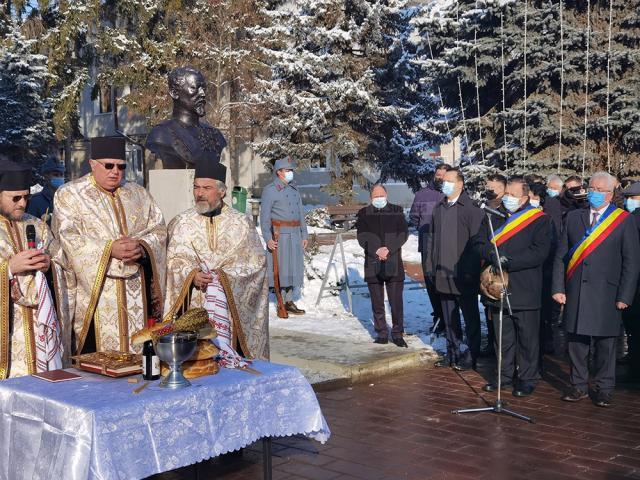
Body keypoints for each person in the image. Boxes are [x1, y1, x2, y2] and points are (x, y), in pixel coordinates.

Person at [54, 137, 167, 355]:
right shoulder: (70, 195)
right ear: (92, 164)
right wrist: (109, 249)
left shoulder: (139, 194)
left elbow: (159, 231)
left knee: (141, 357)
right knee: (96, 365)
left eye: (121, 166)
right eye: (108, 165)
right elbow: (67, 238)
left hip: (136, 291)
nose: (115, 171)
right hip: (96, 293)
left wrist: (142, 247)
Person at [164, 153, 269, 360]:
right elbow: (172, 260)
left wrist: (225, 277)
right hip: (193, 304)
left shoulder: (241, 223)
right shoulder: (181, 222)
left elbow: (256, 263)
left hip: (231, 310)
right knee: (197, 364)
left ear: (222, 192)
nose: (199, 193)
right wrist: (191, 275)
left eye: (206, 188)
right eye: (196, 187)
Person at [552, 171, 640, 407]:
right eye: (592, 188)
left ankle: (603, 388)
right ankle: (578, 385)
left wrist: (625, 296)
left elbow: (631, 262)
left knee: (605, 345)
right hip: (577, 291)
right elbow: (561, 256)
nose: (594, 193)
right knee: (577, 344)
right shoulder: (573, 217)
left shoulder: (623, 220)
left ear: (610, 195)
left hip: (607, 294)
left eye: (600, 190)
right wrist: (558, 287)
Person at [475, 177, 551, 396]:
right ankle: (504, 377)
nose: (507, 198)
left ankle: (527, 377)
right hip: (497, 288)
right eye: (506, 193)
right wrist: (489, 253)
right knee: (503, 338)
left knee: (527, 338)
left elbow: (539, 252)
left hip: (525, 288)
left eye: (513, 194)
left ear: (525, 197)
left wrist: (510, 261)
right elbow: (478, 242)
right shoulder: (493, 217)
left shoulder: (539, 220)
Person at [0, 150, 63, 378]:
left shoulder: (38, 226)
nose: (23, 203)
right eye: (15, 198)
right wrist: (8, 269)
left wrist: (50, 266)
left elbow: (64, 266)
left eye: (26, 197)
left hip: (40, 330)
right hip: (8, 335)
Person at [426, 166, 483, 370]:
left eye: (450, 181)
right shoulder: (439, 208)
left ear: (460, 184)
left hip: (464, 274)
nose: (445, 184)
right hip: (442, 271)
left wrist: (470, 269)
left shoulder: (471, 209)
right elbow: (431, 239)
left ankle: (471, 354)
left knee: (470, 316)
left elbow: (477, 244)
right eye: (444, 181)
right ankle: (452, 351)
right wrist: (431, 266)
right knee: (449, 316)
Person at [356, 184, 409, 347]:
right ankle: (382, 332)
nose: (379, 198)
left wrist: (389, 249)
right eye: (375, 195)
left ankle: (398, 333)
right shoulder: (364, 213)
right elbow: (361, 236)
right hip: (373, 261)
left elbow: (403, 233)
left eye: (381, 194)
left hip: (393, 260)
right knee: (377, 301)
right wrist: (376, 250)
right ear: (371, 197)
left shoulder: (397, 210)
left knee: (396, 302)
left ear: (386, 194)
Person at [146, 67, 227, 169]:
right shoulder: (161, 135)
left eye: (203, 89)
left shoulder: (216, 136)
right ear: (174, 92)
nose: (202, 93)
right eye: (194, 88)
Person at [260, 156, 308, 318]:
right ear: (279, 172)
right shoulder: (270, 190)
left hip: (294, 234)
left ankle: (289, 301)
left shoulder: (294, 189)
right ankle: (281, 300)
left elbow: (301, 213)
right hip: (280, 235)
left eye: (291, 170)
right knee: (282, 268)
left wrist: (304, 234)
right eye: (288, 170)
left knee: (293, 267)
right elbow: (264, 217)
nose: (290, 173)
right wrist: (268, 238)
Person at [409, 163, 448, 334]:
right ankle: (438, 317)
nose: (440, 177)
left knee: (446, 282)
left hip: (449, 246)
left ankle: (449, 318)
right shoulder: (422, 194)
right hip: (427, 245)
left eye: (444, 175)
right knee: (431, 283)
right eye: (438, 174)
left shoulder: (453, 194)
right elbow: (414, 217)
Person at [620, 181, 640, 381]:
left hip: (635, 283)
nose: (629, 202)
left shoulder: (632, 220)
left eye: (632, 199)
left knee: (634, 328)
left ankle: (634, 370)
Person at [26, 157, 65, 225]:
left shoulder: (68, 198)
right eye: (55, 175)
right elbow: (31, 225)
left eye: (61, 175)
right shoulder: (36, 201)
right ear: (46, 176)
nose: (59, 177)